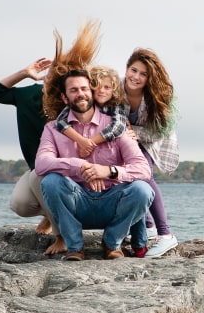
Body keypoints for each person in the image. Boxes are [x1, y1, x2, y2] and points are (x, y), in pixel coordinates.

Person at [36, 69, 154, 261]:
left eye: (84, 88)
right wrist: (80, 166)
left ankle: (112, 243)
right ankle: (75, 247)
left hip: (112, 201)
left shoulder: (116, 127)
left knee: (143, 190)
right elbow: (42, 163)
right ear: (65, 98)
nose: (80, 93)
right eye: (73, 90)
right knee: (50, 182)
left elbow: (143, 169)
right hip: (77, 200)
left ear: (92, 92)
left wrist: (108, 171)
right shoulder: (52, 128)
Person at [0, 58, 58, 238]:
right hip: (38, 168)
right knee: (20, 204)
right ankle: (49, 215)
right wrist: (24, 73)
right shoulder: (29, 95)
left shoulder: (73, 101)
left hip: (68, 170)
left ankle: (62, 233)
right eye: (53, 72)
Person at [124, 48, 180, 258]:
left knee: (144, 175)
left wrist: (133, 131)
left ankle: (166, 234)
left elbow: (159, 132)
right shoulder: (117, 88)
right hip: (124, 141)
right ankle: (149, 227)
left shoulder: (156, 98)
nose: (136, 77)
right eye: (133, 70)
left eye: (143, 74)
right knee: (125, 178)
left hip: (153, 140)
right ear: (127, 68)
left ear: (149, 78)